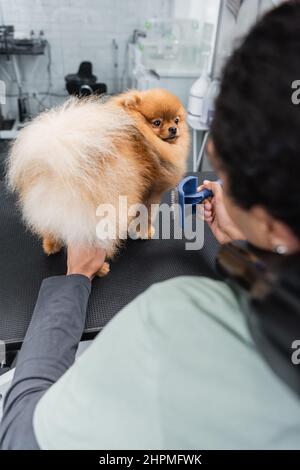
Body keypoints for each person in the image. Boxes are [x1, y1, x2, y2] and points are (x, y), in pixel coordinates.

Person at [1, 0, 300, 450]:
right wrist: (246, 251)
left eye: (224, 170)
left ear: (275, 223)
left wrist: (75, 278)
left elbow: (21, 436)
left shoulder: (180, 318)